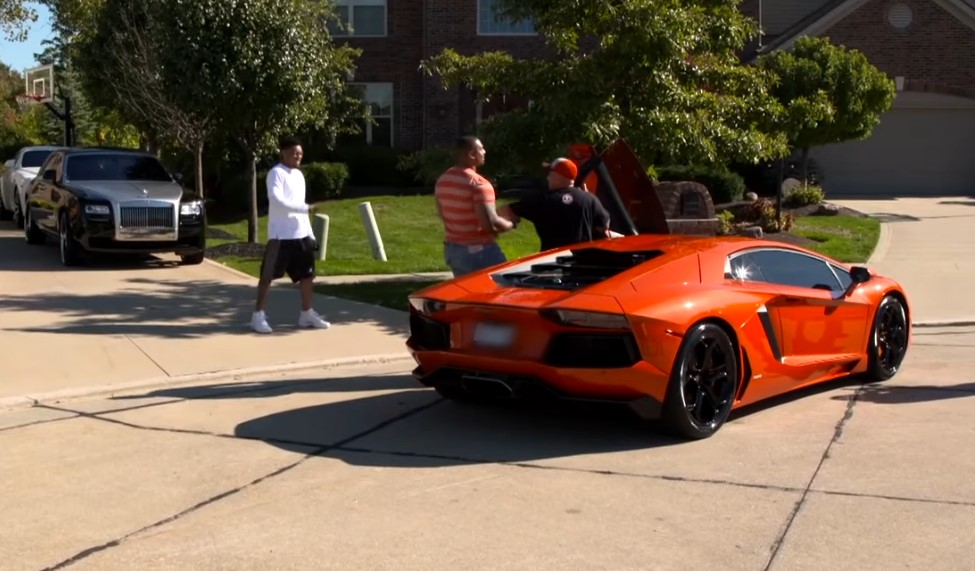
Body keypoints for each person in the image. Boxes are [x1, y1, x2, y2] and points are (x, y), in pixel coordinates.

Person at [250, 136, 331, 334]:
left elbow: (301, 208)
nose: (298, 156)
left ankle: (306, 314)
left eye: (300, 154)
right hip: (280, 236)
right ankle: (258, 316)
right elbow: (277, 200)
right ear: (283, 152)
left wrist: (310, 234)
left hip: (301, 235)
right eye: (295, 153)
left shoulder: (299, 176)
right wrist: (304, 208)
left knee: (307, 275)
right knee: (267, 276)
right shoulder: (275, 173)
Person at [434, 136, 514, 277]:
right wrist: (510, 223)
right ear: (471, 154)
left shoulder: (443, 180)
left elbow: (443, 215)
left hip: (453, 250)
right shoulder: (479, 185)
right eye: (481, 149)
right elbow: (491, 224)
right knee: (502, 289)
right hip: (479, 253)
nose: (484, 152)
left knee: (467, 295)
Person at [500, 157, 612, 252]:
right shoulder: (590, 199)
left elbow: (505, 210)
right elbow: (604, 227)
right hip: (581, 263)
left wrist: (512, 221)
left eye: (550, 173)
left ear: (559, 175)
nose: (548, 178)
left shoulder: (543, 200)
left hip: (551, 262)